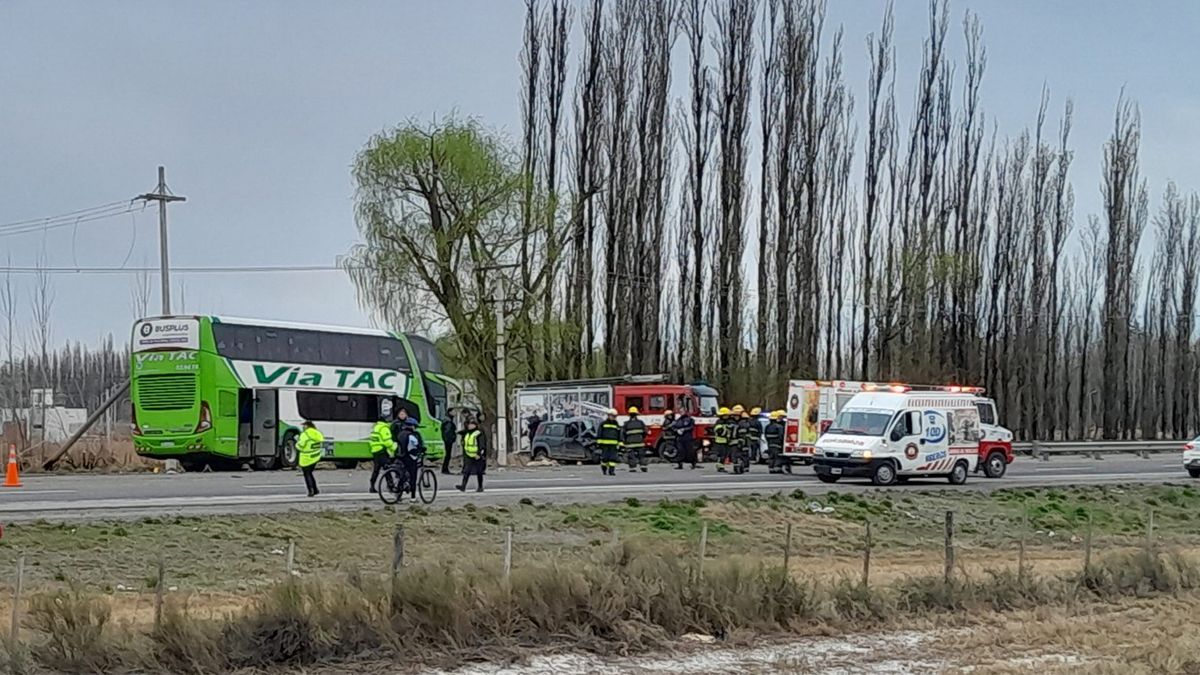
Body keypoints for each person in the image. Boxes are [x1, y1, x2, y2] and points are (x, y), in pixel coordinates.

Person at [368, 412, 398, 493]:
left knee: (376, 470)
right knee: (387, 468)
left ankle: (372, 486)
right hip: (382, 451)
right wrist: (395, 447)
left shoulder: (376, 427)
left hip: (375, 451)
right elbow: (387, 441)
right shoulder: (384, 428)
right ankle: (391, 486)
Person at [396, 418, 424, 501]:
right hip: (409, 457)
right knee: (413, 476)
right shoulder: (412, 436)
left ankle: (398, 494)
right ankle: (413, 497)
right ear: (412, 426)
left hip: (400, 456)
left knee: (402, 475)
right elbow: (415, 446)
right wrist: (422, 450)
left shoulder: (400, 434)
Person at [457, 416, 487, 492]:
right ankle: (463, 486)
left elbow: (482, 445)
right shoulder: (467, 433)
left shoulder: (478, 433)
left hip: (477, 455)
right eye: (469, 424)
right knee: (467, 471)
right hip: (468, 454)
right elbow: (462, 436)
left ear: (475, 425)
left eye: (472, 424)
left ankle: (480, 486)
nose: (470, 426)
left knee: (479, 472)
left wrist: (479, 454)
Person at [296, 420, 324, 497]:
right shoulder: (317, 433)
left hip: (306, 457)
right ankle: (315, 489)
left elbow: (300, 445)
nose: (303, 427)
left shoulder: (304, 434)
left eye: (304, 426)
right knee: (310, 473)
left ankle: (311, 490)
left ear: (307, 426)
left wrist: (297, 443)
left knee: (307, 474)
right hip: (315, 456)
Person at [622, 406, 648, 473]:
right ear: (636, 414)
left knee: (631, 456)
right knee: (641, 455)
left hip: (630, 444)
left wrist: (624, 442)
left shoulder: (626, 424)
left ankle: (633, 468)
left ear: (629, 415)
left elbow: (623, 434)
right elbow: (645, 432)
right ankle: (643, 466)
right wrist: (642, 438)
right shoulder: (641, 423)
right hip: (640, 442)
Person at [597, 409, 622, 476]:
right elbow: (599, 433)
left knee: (613, 459)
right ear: (608, 415)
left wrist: (620, 443)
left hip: (613, 445)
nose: (613, 417)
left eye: (614, 416)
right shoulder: (603, 424)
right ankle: (604, 468)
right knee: (605, 458)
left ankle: (611, 471)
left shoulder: (616, 424)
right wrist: (599, 443)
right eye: (612, 416)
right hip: (605, 445)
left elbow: (619, 434)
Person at [765, 410, 786, 474]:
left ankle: (771, 469)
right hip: (777, 445)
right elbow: (781, 436)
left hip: (770, 444)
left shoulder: (767, 427)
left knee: (771, 457)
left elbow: (766, 436)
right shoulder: (779, 427)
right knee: (778, 457)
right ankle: (777, 469)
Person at [712, 407, 732, 472]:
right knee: (722, 455)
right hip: (720, 441)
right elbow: (718, 431)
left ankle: (720, 466)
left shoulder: (728, 422)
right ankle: (720, 467)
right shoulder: (719, 422)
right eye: (726, 415)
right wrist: (726, 433)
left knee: (725, 455)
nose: (727, 416)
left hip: (726, 441)